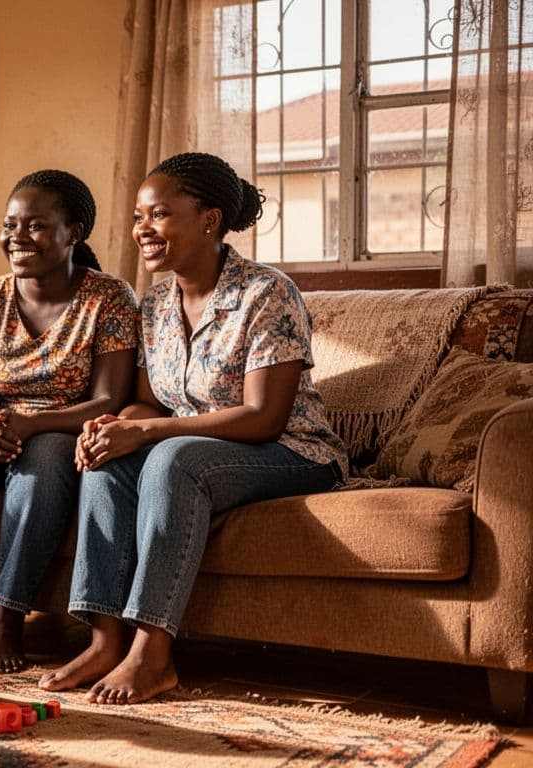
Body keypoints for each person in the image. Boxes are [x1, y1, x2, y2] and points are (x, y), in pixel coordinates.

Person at [38, 152, 348, 704]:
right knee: (107, 457)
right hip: (192, 449)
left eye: (159, 214)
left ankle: (152, 654)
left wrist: (147, 434)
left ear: (209, 220)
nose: (143, 229)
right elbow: (148, 403)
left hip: (293, 454)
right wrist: (112, 428)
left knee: (171, 457)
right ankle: (105, 640)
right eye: (138, 217)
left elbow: (264, 417)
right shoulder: (156, 302)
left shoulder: (266, 293)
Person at [0, 169, 140, 673]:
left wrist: (33, 424)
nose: (17, 237)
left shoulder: (109, 298)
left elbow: (109, 399)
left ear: (74, 233)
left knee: (44, 457)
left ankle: (8, 615)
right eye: (10, 225)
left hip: (66, 433)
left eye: (36, 225)